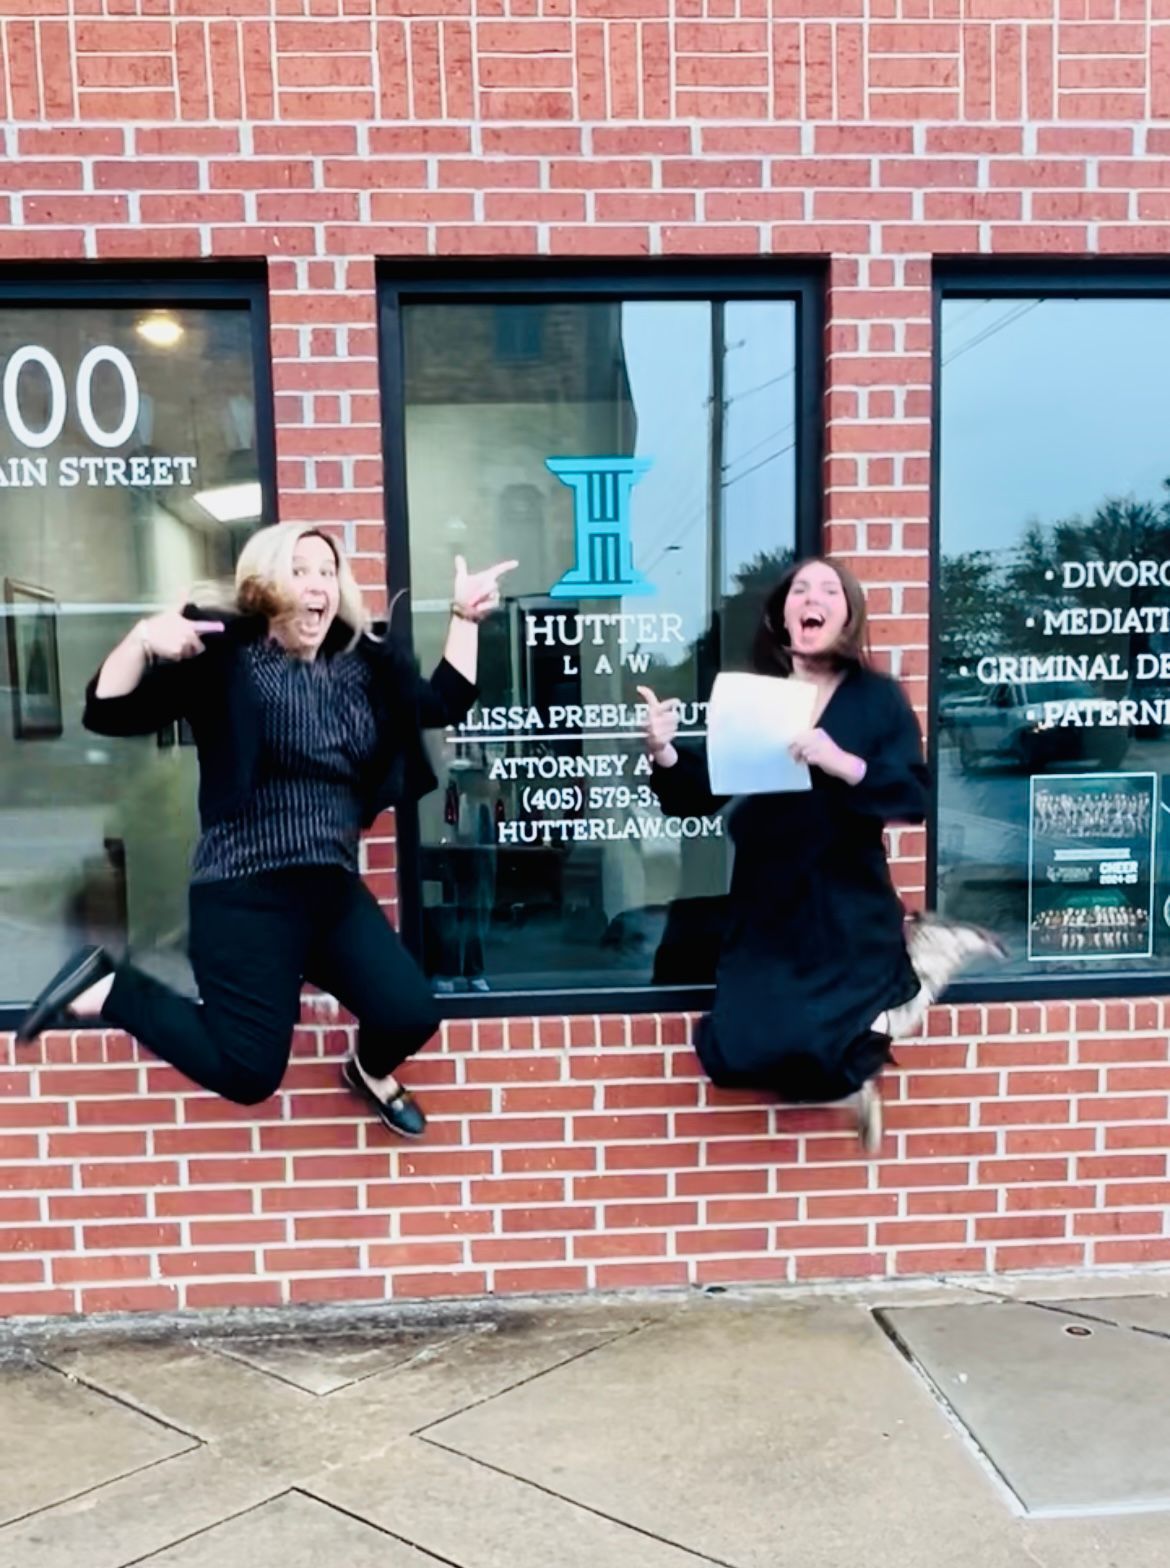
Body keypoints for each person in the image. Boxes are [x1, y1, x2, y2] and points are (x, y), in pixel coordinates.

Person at [16, 521, 516, 1140]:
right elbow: (108, 711)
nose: (317, 584)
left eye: (327, 571)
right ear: (267, 582)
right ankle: (114, 990)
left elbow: (444, 702)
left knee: (410, 1013)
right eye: (299, 570)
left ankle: (367, 1069)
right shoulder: (225, 656)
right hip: (244, 891)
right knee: (249, 1073)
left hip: (331, 896)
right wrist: (143, 641)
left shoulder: (363, 663)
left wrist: (465, 618)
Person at [639, 556, 1003, 1154]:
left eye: (829, 590)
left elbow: (912, 797)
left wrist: (842, 762)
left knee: (827, 1034)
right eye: (800, 590)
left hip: (844, 900)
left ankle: (920, 969)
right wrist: (664, 752)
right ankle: (852, 1090)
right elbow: (701, 793)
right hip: (767, 901)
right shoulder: (758, 696)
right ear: (782, 617)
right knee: (738, 1049)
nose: (812, 598)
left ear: (847, 615)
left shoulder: (876, 699)